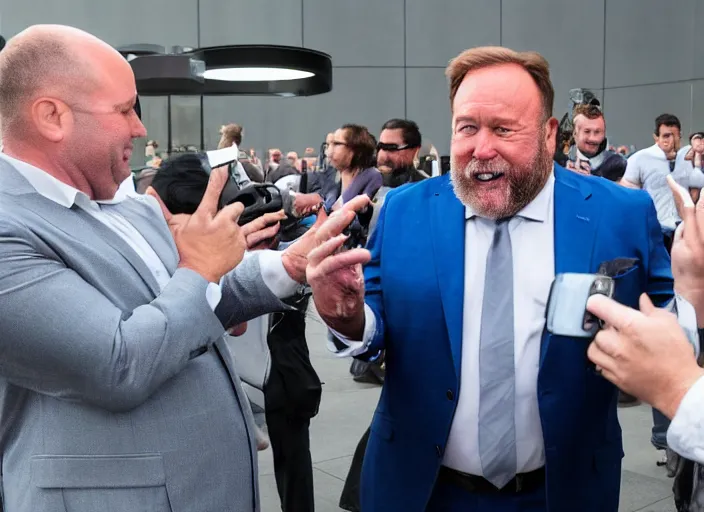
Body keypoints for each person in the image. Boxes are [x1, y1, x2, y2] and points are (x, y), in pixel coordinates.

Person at [305, 46, 698, 511]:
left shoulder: (621, 213)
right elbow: (375, 327)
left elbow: (677, 336)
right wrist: (346, 316)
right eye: (467, 127)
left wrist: (695, 289)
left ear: (550, 134)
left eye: (503, 129)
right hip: (420, 489)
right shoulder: (406, 210)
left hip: (564, 491)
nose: (481, 148)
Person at [0, 25, 317, 512]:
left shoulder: (129, 204)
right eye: (124, 109)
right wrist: (200, 265)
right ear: (51, 116)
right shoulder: (8, 229)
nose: (140, 128)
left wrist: (287, 267)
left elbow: (195, 303)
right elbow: (118, 362)